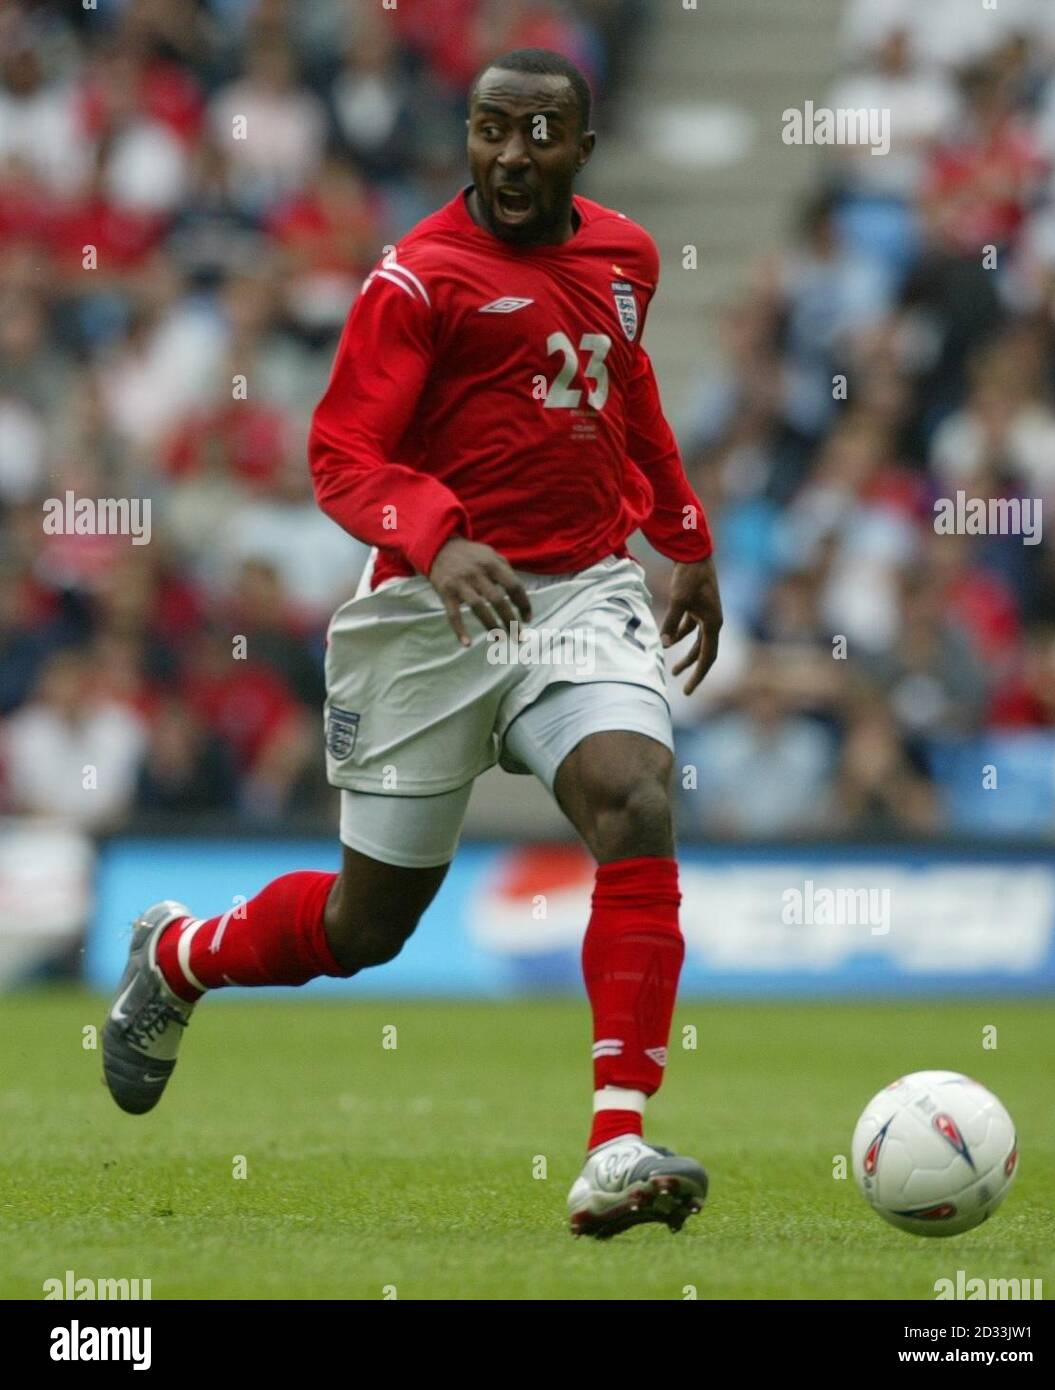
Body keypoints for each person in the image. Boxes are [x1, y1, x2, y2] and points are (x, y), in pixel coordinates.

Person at [102, 48, 723, 1240]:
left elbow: (624, 387)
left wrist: (682, 530)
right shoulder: (417, 278)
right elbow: (341, 452)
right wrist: (438, 540)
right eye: (493, 128)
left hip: (581, 594)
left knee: (637, 796)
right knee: (365, 927)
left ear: (582, 150)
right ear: (469, 136)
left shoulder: (627, 256)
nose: (511, 153)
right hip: (428, 616)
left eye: (541, 131)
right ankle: (177, 955)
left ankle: (616, 1139)